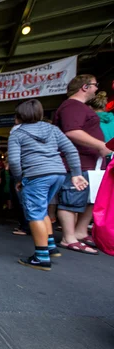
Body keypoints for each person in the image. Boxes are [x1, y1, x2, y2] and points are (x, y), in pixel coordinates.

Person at [8, 99, 86, 270]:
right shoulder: (52, 129)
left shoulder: (17, 134)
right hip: (58, 174)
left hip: (37, 175)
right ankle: (50, 245)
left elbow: (13, 161)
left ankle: (41, 257)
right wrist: (76, 174)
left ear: (19, 116)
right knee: (42, 209)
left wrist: (20, 178)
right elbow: (71, 150)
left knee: (34, 214)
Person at [53, 75, 110, 255]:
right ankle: (68, 237)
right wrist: (101, 145)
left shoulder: (78, 107)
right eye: (95, 85)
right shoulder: (72, 106)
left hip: (89, 162)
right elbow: (72, 131)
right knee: (72, 198)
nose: (97, 89)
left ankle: (80, 231)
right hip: (77, 162)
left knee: (91, 199)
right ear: (84, 87)